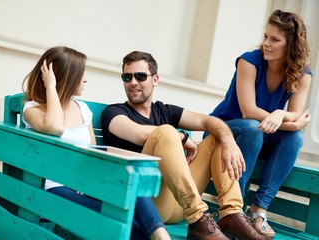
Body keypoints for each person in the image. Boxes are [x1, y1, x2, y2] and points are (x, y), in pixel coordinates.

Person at [101, 51, 270, 240]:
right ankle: (198, 218)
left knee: (218, 137)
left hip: (179, 202)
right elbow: (140, 134)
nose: (133, 82)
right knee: (165, 131)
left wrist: (229, 141)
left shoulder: (165, 111)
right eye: (127, 77)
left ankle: (232, 214)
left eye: (140, 76)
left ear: (155, 79)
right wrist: (181, 136)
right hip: (146, 205)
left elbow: (209, 121)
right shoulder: (113, 113)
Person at [21, 46, 171, 240]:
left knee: (132, 187)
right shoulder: (33, 109)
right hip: (56, 188)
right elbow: (56, 127)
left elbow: (95, 153)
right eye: (81, 73)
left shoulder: (82, 109)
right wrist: (51, 87)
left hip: (88, 185)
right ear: (65, 77)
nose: (85, 79)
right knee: (126, 225)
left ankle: (160, 233)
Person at [205, 9, 312, 238]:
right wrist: (288, 121)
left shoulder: (302, 75)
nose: (266, 44)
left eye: (275, 39)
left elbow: (294, 115)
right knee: (254, 128)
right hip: (226, 131)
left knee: (295, 138)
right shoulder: (249, 61)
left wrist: (280, 115)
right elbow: (248, 111)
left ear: (291, 45)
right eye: (265, 37)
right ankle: (235, 209)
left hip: (259, 136)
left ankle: (259, 209)